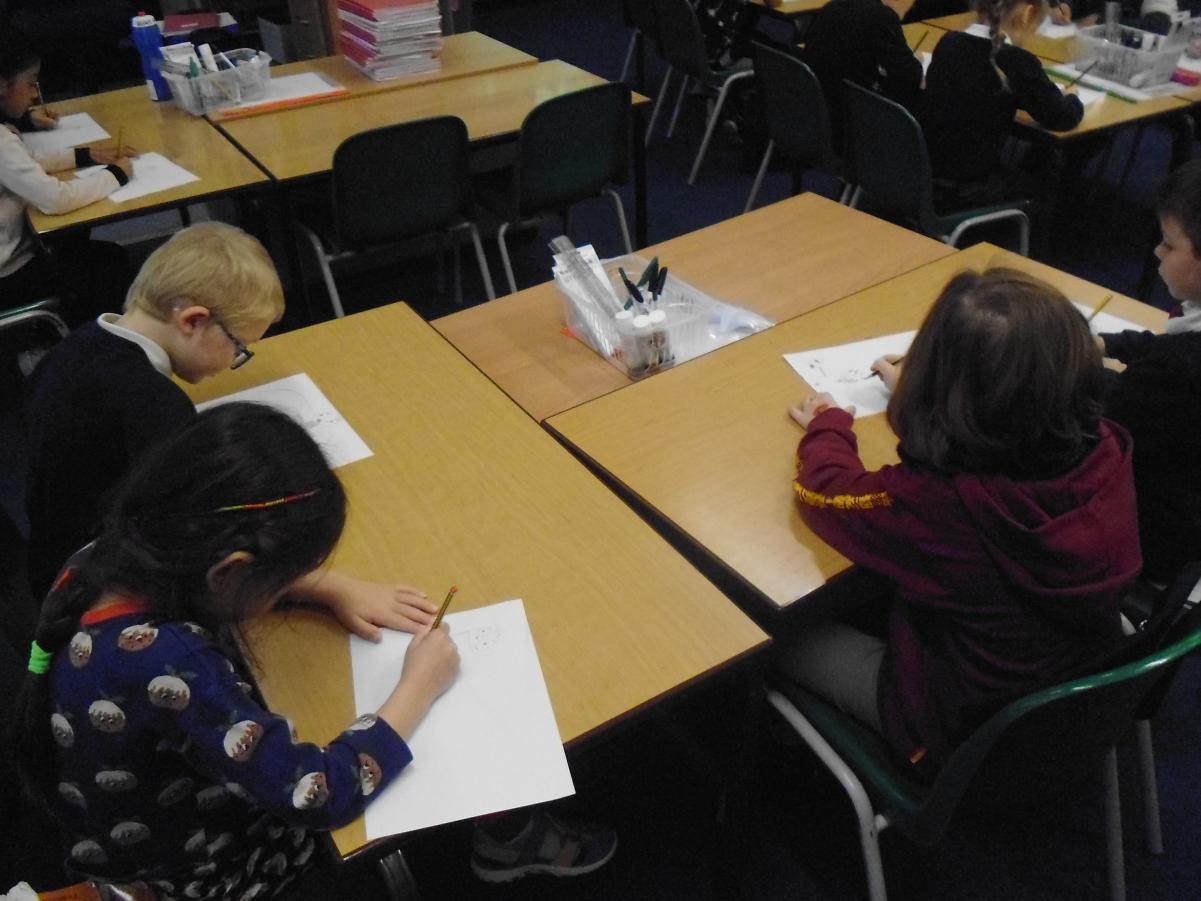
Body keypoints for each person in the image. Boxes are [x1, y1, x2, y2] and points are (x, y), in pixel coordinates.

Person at [13, 403, 462, 899]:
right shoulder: (170, 663)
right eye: (282, 580)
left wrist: (329, 587)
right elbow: (319, 793)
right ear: (228, 572)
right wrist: (418, 686)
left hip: (120, 829)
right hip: (207, 874)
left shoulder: (105, 556)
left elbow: (215, 584)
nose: (288, 588)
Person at [781, 268, 1140, 773]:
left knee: (778, 633)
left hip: (958, 730)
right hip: (1077, 688)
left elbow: (822, 495)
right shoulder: (1105, 448)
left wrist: (828, 426)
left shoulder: (941, 504)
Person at [25, 222, 439, 641]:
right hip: (96, 600)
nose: (232, 363)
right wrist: (331, 587)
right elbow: (203, 545)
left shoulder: (74, 346)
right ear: (194, 321)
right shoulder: (152, 404)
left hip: (51, 564)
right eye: (238, 347)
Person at [1099, 161, 1201, 584]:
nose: (1158, 253)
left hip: (1151, 535)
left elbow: (1096, 433)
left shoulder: (1180, 369)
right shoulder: (1184, 349)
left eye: (1169, 245)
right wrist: (1108, 344)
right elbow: (1165, 349)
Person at [0, 25, 137, 318]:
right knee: (108, 263)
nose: (35, 95)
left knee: (76, 243)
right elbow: (55, 200)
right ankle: (92, 334)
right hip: (10, 276)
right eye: (30, 84)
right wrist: (116, 174)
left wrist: (85, 155)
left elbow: (23, 161)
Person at [920, 0, 1084, 210]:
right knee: (1044, 178)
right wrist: (1072, 97)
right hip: (969, 186)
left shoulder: (949, 42)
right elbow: (1061, 116)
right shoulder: (1014, 59)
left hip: (925, 172)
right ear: (1027, 13)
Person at [801, 0, 924, 151]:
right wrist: (916, 61)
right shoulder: (881, 16)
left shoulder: (831, 7)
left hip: (819, 112)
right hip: (853, 122)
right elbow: (911, 76)